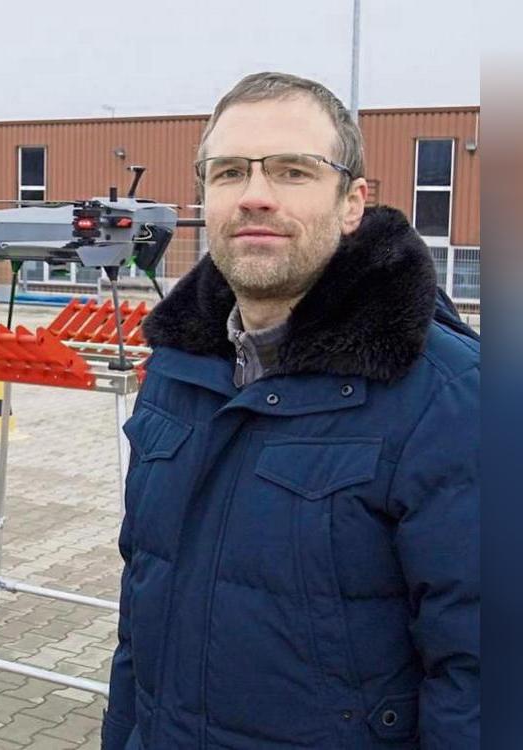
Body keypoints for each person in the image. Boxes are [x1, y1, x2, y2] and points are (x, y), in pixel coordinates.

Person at [103, 72, 479, 749]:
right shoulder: (175, 372)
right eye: (228, 173)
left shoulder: (451, 398)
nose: (254, 195)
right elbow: (141, 608)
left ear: (352, 202)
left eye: (292, 171)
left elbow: (479, 676)